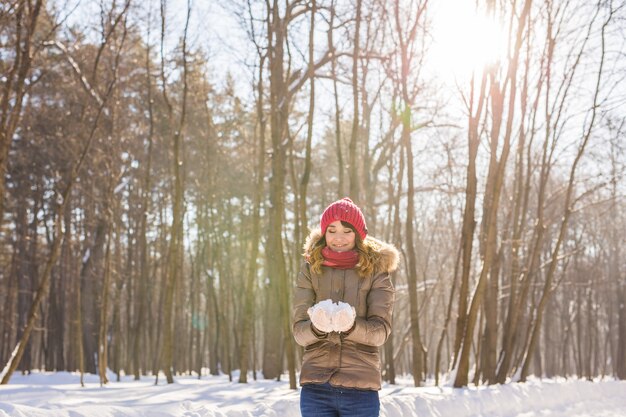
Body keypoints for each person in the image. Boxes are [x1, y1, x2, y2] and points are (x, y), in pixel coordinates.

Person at [292, 197, 399, 417]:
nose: (338, 238)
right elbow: (298, 332)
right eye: (331, 230)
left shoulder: (377, 270)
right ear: (324, 233)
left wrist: (351, 326)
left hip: (360, 389)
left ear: (358, 234)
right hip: (316, 389)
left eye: (347, 231)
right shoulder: (310, 269)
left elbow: (381, 332)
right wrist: (316, 328)